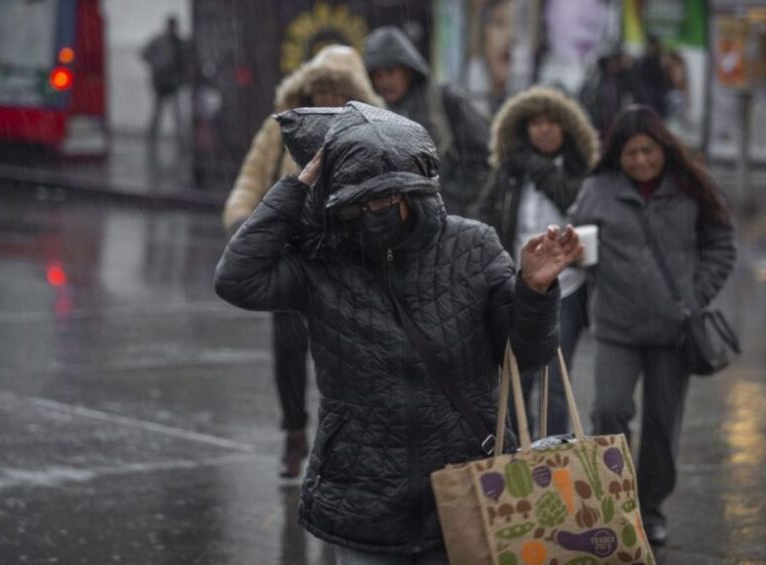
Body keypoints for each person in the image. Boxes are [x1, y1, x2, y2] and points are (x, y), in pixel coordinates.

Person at [214, 102, 583, 562]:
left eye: (386, 198)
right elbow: (236, 278)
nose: (374, 211)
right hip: (362, 498)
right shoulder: (323, 261)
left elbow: (528, 356)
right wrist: (299, 185)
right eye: (358, 203)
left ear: (414, 188)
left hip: (467, 489)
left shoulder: (473, 246)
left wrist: (533, 289)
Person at [569, 105, 737, 546]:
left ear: (663, 147)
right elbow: (574, 242)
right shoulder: (597, 189)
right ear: (616, 156)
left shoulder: (691, 188)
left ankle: (651, 508)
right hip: (616, 327)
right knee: (608, 410)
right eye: (630, 154)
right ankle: (616, 505)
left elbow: (722, 246)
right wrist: (579, 261)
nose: (640, 161)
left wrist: (693, 298)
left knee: (663, 425)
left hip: (672, 332)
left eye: (647, 151)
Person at [221, 45, 383, 479]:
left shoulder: (369, 130)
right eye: (319, 88)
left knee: (349, 355)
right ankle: (294, 432)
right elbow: (251, 177)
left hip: (347, 259)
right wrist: (243, 222)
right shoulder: (281, 127)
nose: (326, 97)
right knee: (289, 351)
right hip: (293, 254)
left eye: (336, 89)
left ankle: (344, 445)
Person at [478, 86, 599, 437]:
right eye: (535, 123)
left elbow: (572, 199)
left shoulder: (580, 172)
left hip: (568, 289)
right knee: (517, 379)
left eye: (552, 122)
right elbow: (486, 214)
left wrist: (539, 168)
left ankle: (554, 456)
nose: (543, 130)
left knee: (556, 380)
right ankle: (522, 457)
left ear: (568, 128)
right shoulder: (510, 171)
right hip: (516, 284)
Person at [363, 26, 490, 218]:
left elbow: (483, 156)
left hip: (447, 222)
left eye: (391, 72)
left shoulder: (444, 101)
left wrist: (452, 198)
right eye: (378, 75)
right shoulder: (367, 113)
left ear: (407, 71)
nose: (385, 82)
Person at [141, 16, 189, 143]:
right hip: (161, 81)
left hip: (173, 81)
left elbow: (184, 61)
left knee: (175, 112)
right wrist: (156, 64)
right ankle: (152, 137)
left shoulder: (179, 43)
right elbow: (144, 53)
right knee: (158, 111)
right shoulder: (159, 41)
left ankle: (179, 138)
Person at [578, 45, 635, 140]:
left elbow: (629, 97)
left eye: (616, 61)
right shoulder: (595, 78)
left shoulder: (621, 78)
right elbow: (585, 98)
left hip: (616, 127)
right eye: (611, 61)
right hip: (599, 127)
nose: (614, 65)